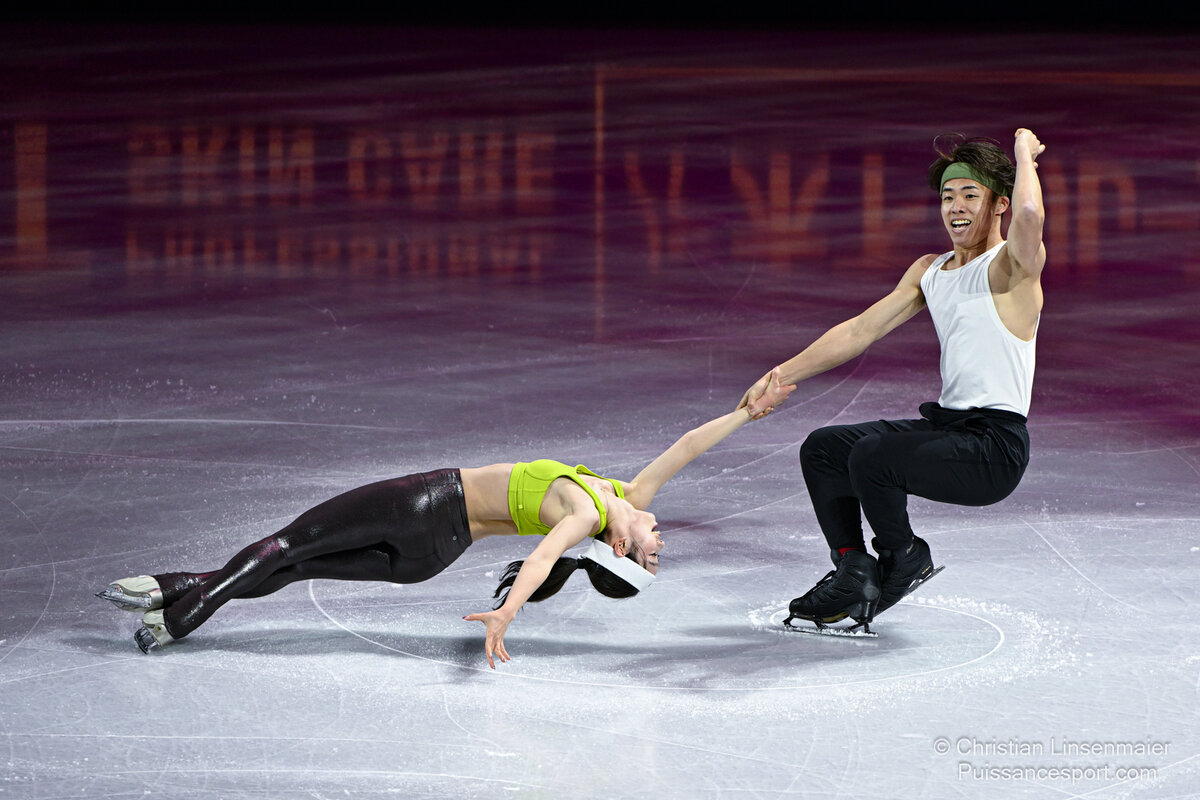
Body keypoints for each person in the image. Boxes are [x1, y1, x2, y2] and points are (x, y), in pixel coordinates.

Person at [99, 371, 795, 667]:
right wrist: (747, 412)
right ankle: (170, 588)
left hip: (424, 506)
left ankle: (181, 616)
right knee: (292, 568)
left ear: (619, 548)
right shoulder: (623, 493)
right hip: (432, 558)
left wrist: (507, 614)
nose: (660, 540)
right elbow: (687, 446)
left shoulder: (586, 512)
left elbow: (544, 558)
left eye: (651, 553)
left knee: (284, 544)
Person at [740, 129, 1046, 633]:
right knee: (824, 448)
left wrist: (1023, 154)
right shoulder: (931, 270)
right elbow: (860, 330)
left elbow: (1031, 214)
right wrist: (779, 377)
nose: (955, 207)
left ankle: (903, 556)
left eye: (971, 195)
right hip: (950, 429)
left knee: (873, 456)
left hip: (995, 449)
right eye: (947, 196)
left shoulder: (1012, 267)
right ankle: (854, 570)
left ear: (999, 205)